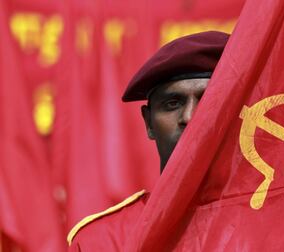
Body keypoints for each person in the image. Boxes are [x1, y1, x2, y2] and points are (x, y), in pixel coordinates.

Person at [67, 31, 229, 250]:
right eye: (173, 103)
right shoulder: (102, 241)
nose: (190, 117)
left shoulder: (281, 222)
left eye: (209, 100)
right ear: (149, 123)